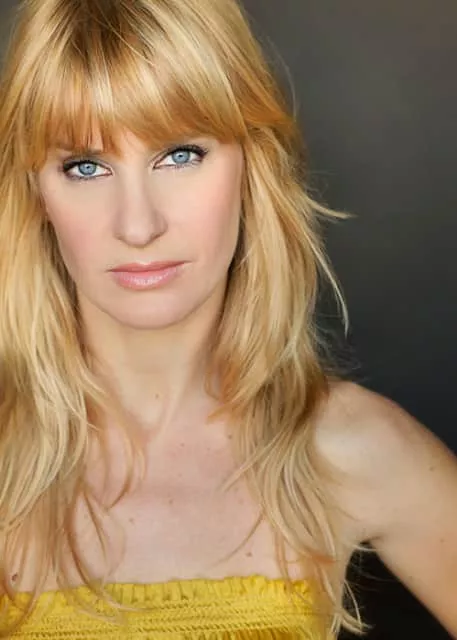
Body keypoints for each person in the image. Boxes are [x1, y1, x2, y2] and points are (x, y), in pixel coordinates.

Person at [0, 0, 456, 637]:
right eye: (86, 166)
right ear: (36, 193)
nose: (138, 225)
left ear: (251, 162)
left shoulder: (353, 450)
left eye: (180, 155)